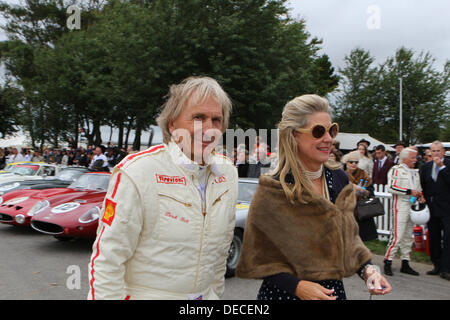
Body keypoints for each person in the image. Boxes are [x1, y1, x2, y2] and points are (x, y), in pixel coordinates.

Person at [88, 76, 238, 300]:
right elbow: (108, 259)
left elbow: (220, 254)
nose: (209, 128)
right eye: (198, 117)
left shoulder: (227, 173)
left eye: (216, 120)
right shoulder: (139, 170)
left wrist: (214, 295)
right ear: (172, 124)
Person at [236, 94, 391, 300]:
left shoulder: (338, 178)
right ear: (293, 135)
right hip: (284, 295)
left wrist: (368, 271)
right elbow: (259, 257)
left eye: (331, 130)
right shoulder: (274, 188)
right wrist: (298, 286)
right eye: (319, 131)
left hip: (333, 293)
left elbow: (349, 238)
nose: (329, 138)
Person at [383, 148, 423, 276]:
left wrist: (420, 195)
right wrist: (409, 191)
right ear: (405, 158)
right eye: (413, 158)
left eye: (415, 157)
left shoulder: (415, 172)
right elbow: (391, 187)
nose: (415, 160)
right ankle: (387, 261)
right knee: (397, 235)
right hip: (400, 205)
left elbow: (418, 188)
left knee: (407, 235)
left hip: (412, 204)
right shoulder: (396, 170)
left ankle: (405, 262)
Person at [419, 141, 450, 281]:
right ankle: (436, 265)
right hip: (432, 208)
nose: (436, 153)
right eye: (433, 151)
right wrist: (422, 197)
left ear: (443, 152)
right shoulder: (425, 167)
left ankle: (446, 268)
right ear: (430, 152)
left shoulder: (447, 165)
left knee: (448, 238)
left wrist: (441, 167)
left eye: (438, 151)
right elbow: (424, 186)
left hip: (447, 208)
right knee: (434, 237)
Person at [345, 151, 378, 242]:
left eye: (356, 162)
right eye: (351, 162)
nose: (353, 164)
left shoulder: (365, 175)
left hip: (362, 209)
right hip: (348, 208)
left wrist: (362, 191)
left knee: (362, 238)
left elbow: (371, 193)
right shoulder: (343, 175)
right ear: (346, 163)